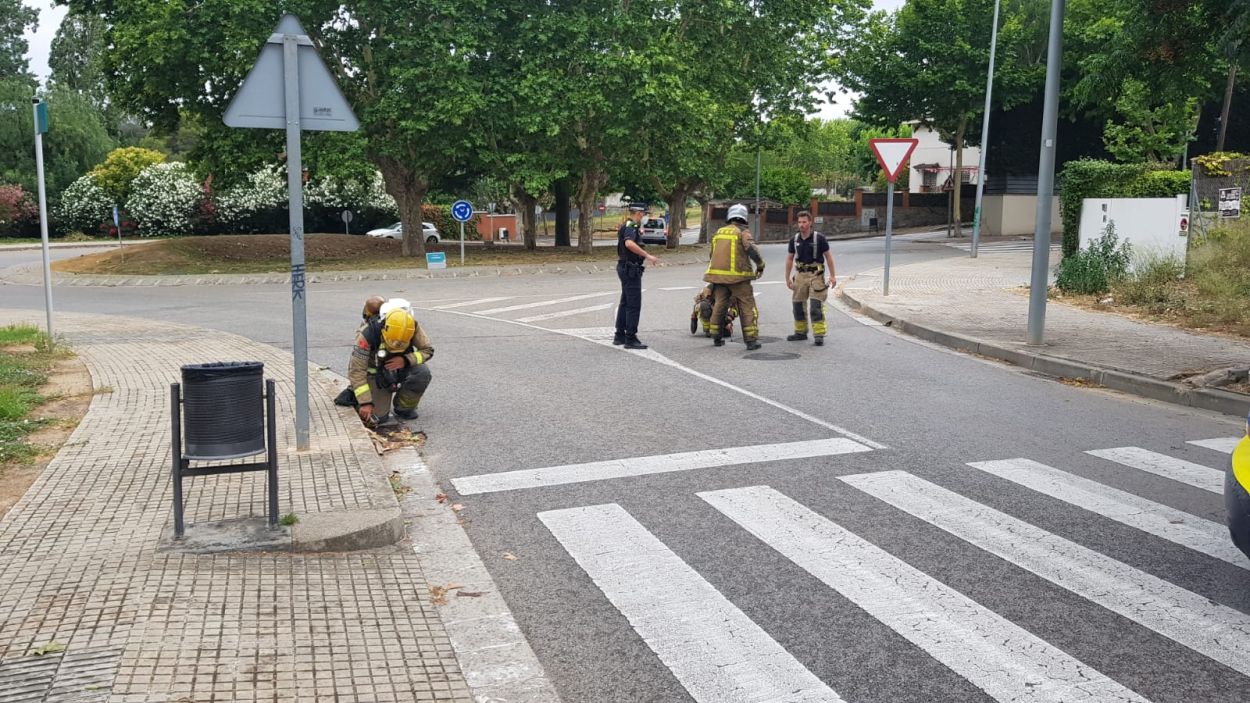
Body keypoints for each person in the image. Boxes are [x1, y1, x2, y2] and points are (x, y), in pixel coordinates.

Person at [346, 303, 434, 426]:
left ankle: (404, 407)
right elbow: (356, 370)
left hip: (401, 367)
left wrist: (406, 360)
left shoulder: (410, 326)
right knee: (379, 418)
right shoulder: (367, 334)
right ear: (384, 328)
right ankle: (356, 395)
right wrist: (365, 402)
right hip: (376, 376)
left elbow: (428, 350)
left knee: (422, 372)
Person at [704, 203, 764, 350]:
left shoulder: (719, 232)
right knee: (747, 306)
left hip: (718, 278)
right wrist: (760, 264)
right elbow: (751, 250)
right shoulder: (742, 232)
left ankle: (716, 336)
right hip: (739, 278)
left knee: (720, 305)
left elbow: (712, 254)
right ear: (744, 218)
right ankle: (751, 340)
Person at [784, 210, 836, 346]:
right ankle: (800, 333)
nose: (801, 225)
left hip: (816, 276)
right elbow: (789, 259)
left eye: (804, 222)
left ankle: (819, 335)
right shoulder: (794, 240)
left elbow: (829, 257)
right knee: (798, 306)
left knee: (815, 306)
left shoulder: (819, 238)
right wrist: (787, 278)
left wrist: (833, 276)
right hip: (800, 276)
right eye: (799, 222)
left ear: (810, 223)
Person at [614, 202, 660, 349]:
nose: (644, 216)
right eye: (644, 213)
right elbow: (629, 244)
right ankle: (630, 338)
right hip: (630, 269)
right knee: (633, 305)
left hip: (625, 267)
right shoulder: (631, 226)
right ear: (639, 213)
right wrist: (647, 255)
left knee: (625, 302)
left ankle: (619, 335)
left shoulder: (625, 224)